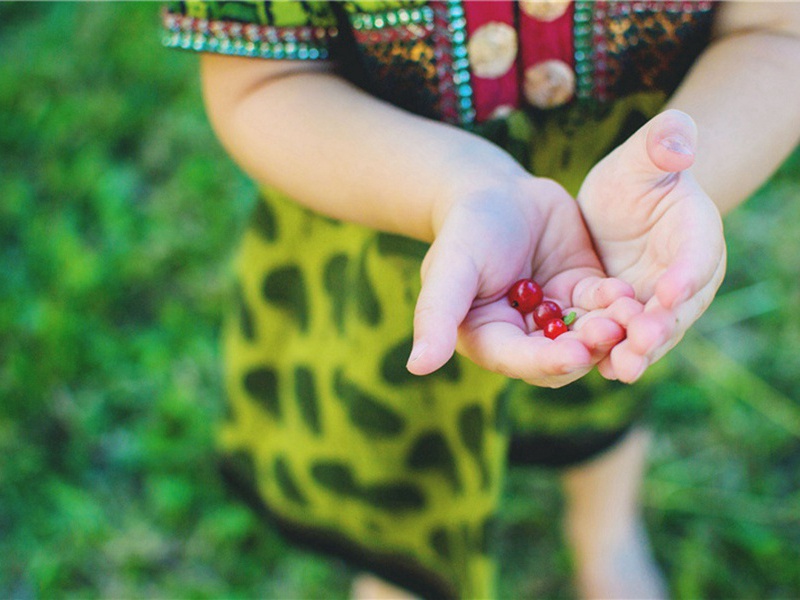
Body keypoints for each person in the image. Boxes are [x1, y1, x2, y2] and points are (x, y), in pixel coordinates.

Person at [162, 1, 800, 598]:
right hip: (376, 216)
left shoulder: (615, 262)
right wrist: (455, 183)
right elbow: (259, 82)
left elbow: (775, 31)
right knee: (393, 431)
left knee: (607, 372)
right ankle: (404, 573)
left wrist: (678, 181)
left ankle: (604, 530)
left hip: (618, 243)